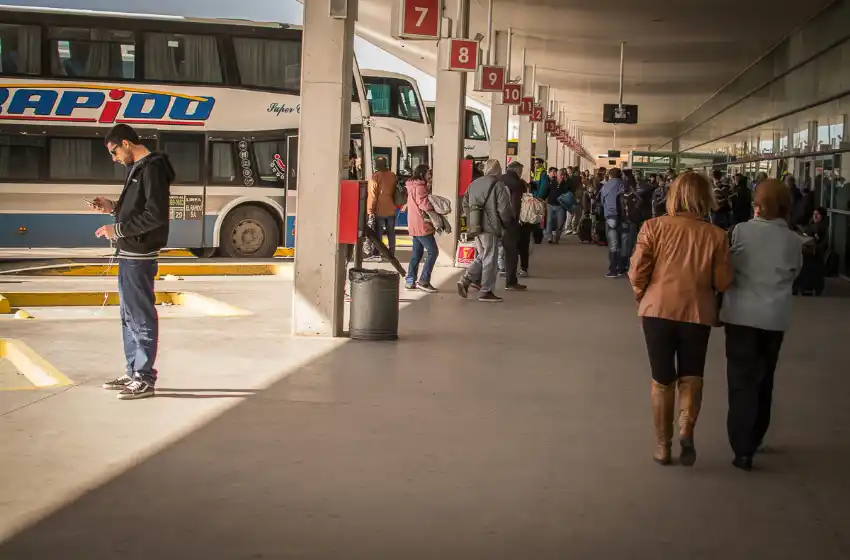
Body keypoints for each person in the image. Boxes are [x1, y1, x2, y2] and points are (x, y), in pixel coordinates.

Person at [628, 172, 733, 466]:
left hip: (657, 311)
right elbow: (723, 282)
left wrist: (643, 296)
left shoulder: (653, 227)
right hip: (696, 312)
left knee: (662, 379)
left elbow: (637, 272)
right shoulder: (716, 235)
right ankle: (687, 429)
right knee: (692, 375)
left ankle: (663, 446)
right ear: (705, 198)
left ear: (674, 195)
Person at [721, 180, 806, 471]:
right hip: (774, 318)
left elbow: (728, 267)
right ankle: (756, 436)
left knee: (740, 381)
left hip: (741, 316)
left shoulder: (742, 231)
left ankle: (742, 448)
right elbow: (795, 274)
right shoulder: (794, 240)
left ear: (757, 204)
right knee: (764, 377)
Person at [92, 124, 175, 401]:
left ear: (126, 143)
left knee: (140, 316)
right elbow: (137, 207)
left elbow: (155, 215)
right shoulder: (137, 168)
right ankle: (132, 371)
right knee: (128, 317)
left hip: (140, 255)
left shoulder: (152, 168)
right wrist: (113, 207)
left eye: (114, 151)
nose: (114, 158)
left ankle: (144, 377)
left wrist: (116, 230)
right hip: (129, 253)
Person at [458, 159, 513, 302]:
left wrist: (473, 218)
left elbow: (465, 203)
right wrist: (507, 223)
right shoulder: (498, 185)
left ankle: (466, 279)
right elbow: (504, 209)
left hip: (476, 226)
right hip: (491, 227)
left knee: (483, 255)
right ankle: (486, 291)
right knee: (490, 259)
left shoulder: (474, 183)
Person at [404, 165, 439, 293]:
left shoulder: (412, 186)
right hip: (421, 224)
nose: (430, 176)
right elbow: (424, 204)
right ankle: (424, 281)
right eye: (429, 173)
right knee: (433, 251)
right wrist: (435, 205)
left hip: (414, 223)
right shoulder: (420, 187)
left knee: (416, 253)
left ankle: (410, 280)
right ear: (422, 174)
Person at [500, 160, 532, 284]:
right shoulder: (518, 183)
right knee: (516, 248)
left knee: (500, 247)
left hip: (499, 218)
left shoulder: (500, 180)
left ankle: (502, 268)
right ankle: (512, 278)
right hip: (513, 220)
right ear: (517, 170)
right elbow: (516, 204)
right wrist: (516, 218)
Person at [366, 156, 398, 260]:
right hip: (391, 208)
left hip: (380, 209)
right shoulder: (392, 175)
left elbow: (373, 195)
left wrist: (370, 210)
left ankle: (378, 252)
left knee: (378, 233)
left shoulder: (376, 176)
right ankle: (391, 253)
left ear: (377, 165)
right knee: (391, 232)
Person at [598, 167, 626, 277]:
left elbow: (601, 201)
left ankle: (613, 269)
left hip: (611, 217)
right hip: (625, 218)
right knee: (624, 244)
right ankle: (622, 268)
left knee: (613, 244)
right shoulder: (625, 184)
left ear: (610, 175)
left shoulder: (606, 186)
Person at [794, 206, 829, 296]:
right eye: (814, 214)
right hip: (808, 255)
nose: (815, 216)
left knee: (811, 275)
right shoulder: (811, 226)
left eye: (818, 215)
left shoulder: (821, 228)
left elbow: (817, 242)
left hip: (814, 256)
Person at [545, 168, 568, 243]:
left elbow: (568, 193)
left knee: (560, 223)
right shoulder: (551, 181)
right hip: (550, 204)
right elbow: (546, 191)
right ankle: (549, 236)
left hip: (560, 206)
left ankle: (557, 236)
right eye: (560, 175)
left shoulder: (565, 184)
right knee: (549, 221)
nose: (561, 176)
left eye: (562, 175)